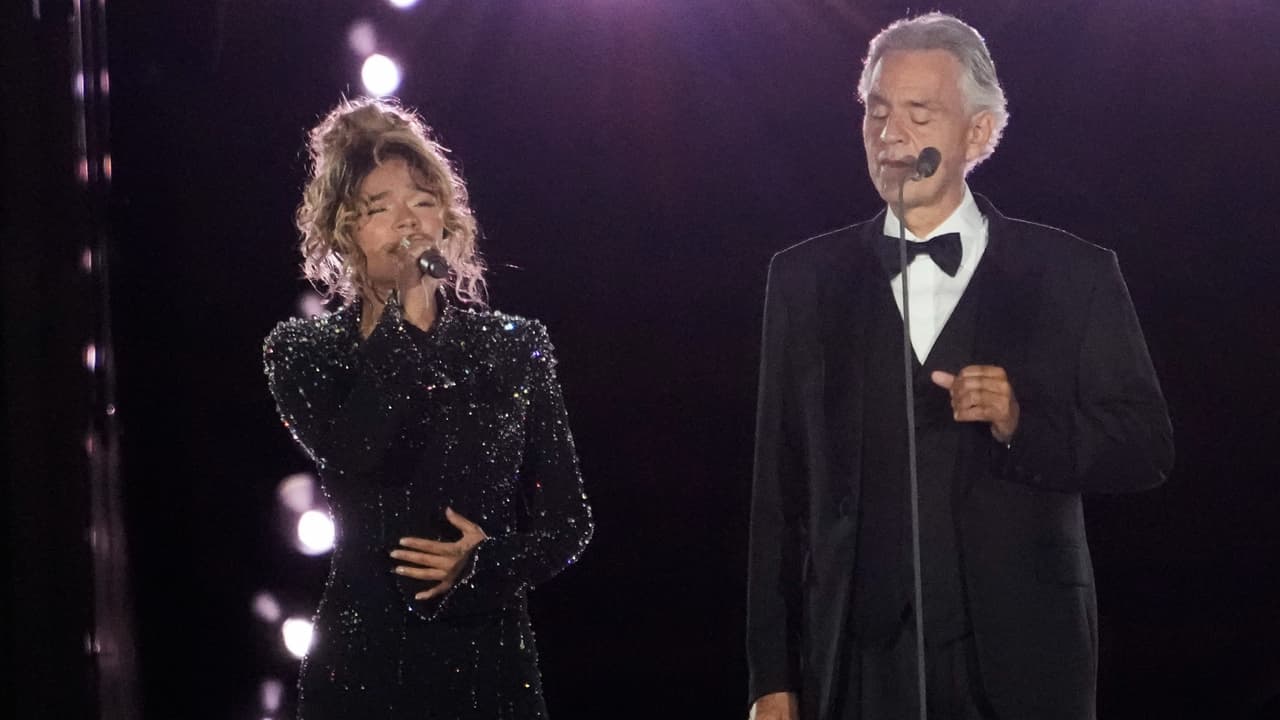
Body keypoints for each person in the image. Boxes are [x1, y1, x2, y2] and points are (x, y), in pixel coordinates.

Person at [746, 13, 1173, 720]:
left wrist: (1021, 421)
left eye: (919, 114)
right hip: (856, 658)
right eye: (877, 112)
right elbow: (777, 495)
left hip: (1021, 657)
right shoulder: (803, 279)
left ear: (978, 134)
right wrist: (771, 677)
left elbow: (1146, 447)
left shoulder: (1073, 275)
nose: (890, 137)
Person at [263, 97, 592, 719]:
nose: (407, 222)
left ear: (447, 218)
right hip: (363, 661)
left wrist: (485, 561)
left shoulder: (514, 346)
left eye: (421, 200)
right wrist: (409, 317)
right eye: (379, 208)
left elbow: (568, 522)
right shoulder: (304, 351)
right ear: (344, 230)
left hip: (486, 661)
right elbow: (356, 451)